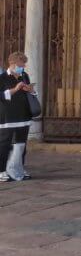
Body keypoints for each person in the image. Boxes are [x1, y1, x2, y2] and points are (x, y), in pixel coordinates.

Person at [0, 52, 37, 183]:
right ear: (13, 64)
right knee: (4, 145)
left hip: (23, 116)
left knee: (21, 145)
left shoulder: (24, 75)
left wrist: (30, 90)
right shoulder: (2, 77)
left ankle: (19, 168)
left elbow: (32, 93)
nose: (24, 66)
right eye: (22, 64)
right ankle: (2, 171)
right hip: (7, 117)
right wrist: (15, 89)